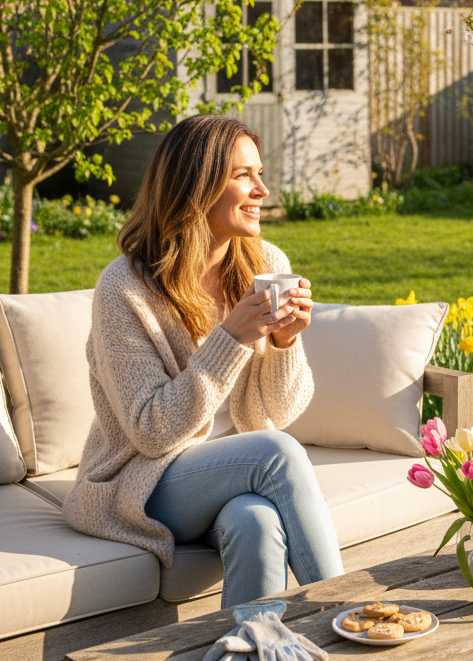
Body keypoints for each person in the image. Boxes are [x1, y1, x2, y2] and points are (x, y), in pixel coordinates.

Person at [63, 115, 344, 608]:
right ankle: (352, 614)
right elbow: (151, 432)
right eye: (243, 175)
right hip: (144, 480)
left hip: (233, 471)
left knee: (255, 520)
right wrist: (231, 338)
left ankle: (254, 643)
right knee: (277, 454)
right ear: (195, 185)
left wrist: (284, 344)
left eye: (259, 173)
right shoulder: (125, 288)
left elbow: (277, 410)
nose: (262, 189)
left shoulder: (265, 263)